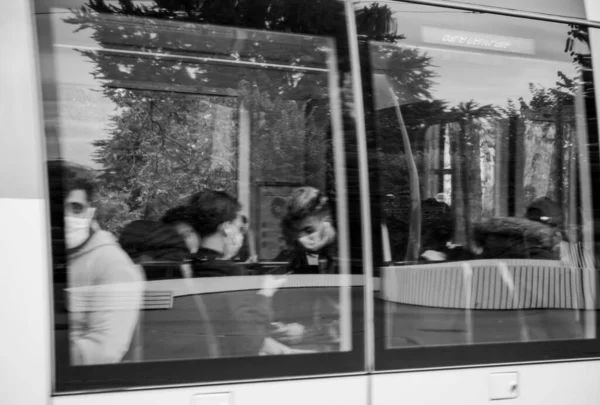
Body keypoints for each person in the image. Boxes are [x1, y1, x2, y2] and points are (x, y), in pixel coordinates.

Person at [186, 190, 302, 356]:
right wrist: (265, 294)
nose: (241, 235)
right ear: (227, 229)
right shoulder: (230, 273)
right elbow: (250, 341)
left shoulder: (190, 265)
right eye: (240, 228)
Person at [60, 165, 144, 365]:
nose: (66, 217)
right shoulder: (44, 255)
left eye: (75, 208)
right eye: (58, 207)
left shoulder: (112, 264)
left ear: (90, 212)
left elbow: (103, 351)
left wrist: (36, 355)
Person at [279, 186, 337, 274]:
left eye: (309, 230)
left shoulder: (347, 256)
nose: (302, 240)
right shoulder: (304, 256)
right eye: (296, 233)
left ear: (326, 221)